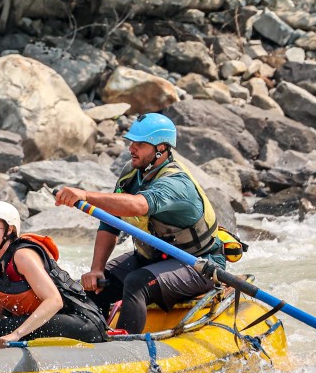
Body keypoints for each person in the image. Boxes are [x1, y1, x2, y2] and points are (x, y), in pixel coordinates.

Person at [54, 113, 224, 334]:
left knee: (136, 283)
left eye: (140, 144)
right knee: (95, 287)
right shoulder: (132, 174)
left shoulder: (176, 183)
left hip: (196, 264)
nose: (131, 148)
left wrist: (85, 195)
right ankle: (91, 336)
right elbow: (110, 222)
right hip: (153, 258)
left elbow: (137, 206)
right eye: (131, 142)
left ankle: (127, 348)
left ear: (161, 149)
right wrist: (96, 269)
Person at [0, 201, 108, 347]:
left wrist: (16, 334)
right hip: (60, 320)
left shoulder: (22, 255)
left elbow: (54, 300)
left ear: (9, 230)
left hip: (83, 322)